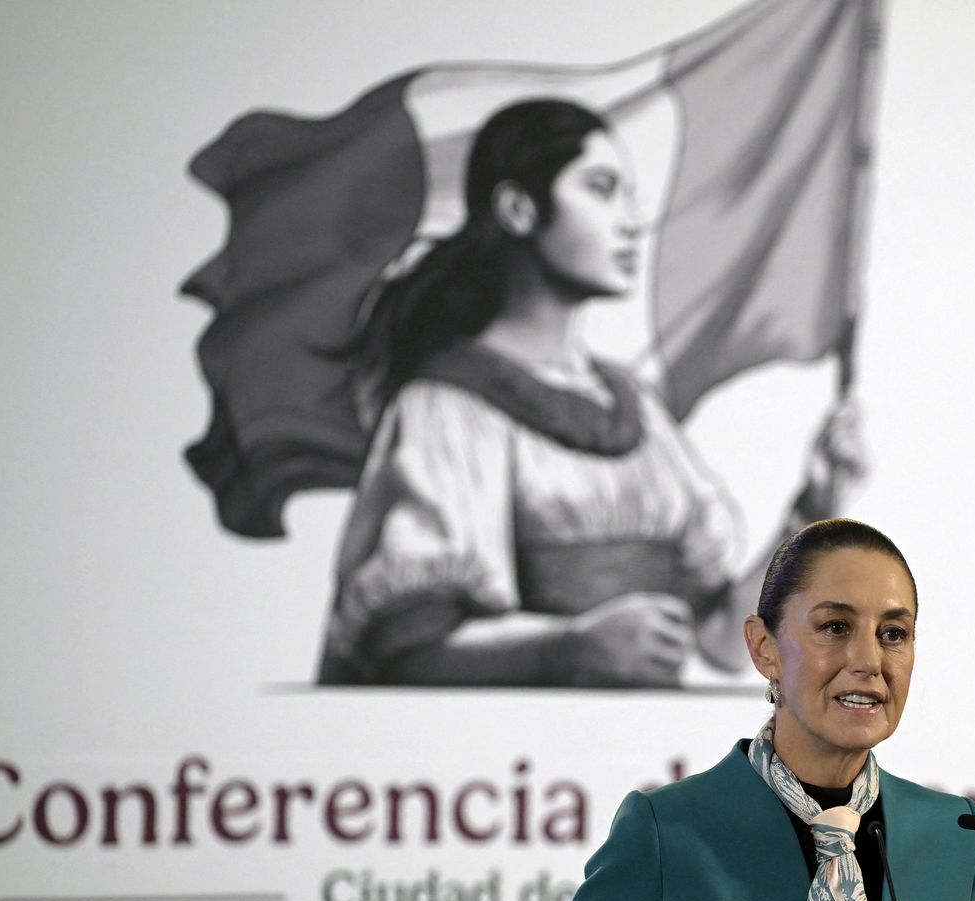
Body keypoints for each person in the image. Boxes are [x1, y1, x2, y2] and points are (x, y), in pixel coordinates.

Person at [317, 99, 862, 686]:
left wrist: (814, 508)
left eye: (629, 194)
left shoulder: (635, 410)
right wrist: (567, 648)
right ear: (518, 209)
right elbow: (408, 651)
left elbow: (721, 642)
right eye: (601, 189)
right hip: (507, 767)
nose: (631, 221)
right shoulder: (446, 407)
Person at [501, 519, 975, 901]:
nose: (869, 660)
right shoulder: (667, 834)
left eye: (894, 633)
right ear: (763, 648)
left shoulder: (948, 834)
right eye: (836, 626)